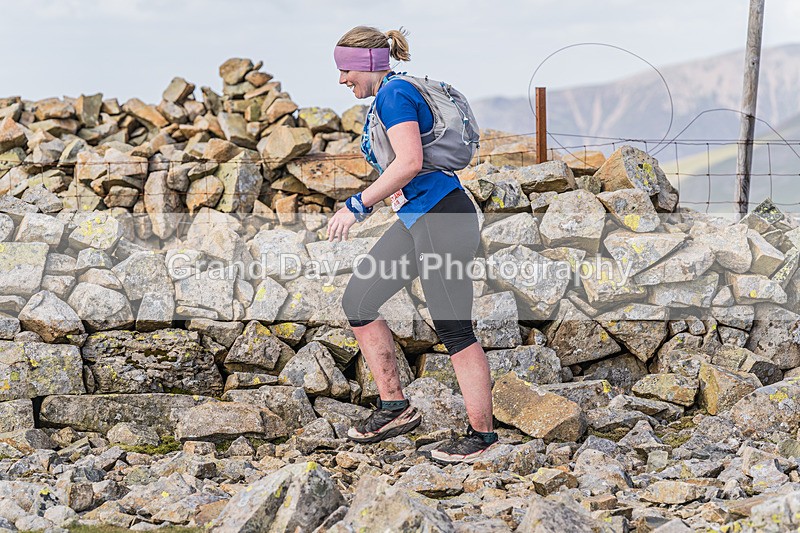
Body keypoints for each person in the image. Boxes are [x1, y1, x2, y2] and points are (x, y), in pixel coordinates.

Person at [327, 25, 498, 464]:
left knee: (454, 328)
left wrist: (356, 205)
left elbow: (409, 162)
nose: (343, 79)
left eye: (346, 69)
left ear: (367, 65)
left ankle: (481, 437)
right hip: (419, 220)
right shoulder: (390, 94)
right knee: (359, 300)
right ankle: (394, 408)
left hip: (443, 219)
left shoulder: (393, 95)